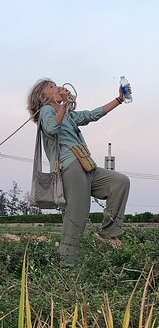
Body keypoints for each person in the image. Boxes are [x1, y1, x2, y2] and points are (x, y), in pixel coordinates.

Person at [27, 79, 130, 266]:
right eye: (51, 87)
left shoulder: (68, 115)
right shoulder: (46, 111)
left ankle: (108, 233)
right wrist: (64, 104)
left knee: (120, 182)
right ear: (42, 97)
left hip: (85, 164)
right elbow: (51, 129)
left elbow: (92, 115)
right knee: (77, 213)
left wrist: (119, 99)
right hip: (70, 165)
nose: (57, 87)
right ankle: (66, 263)